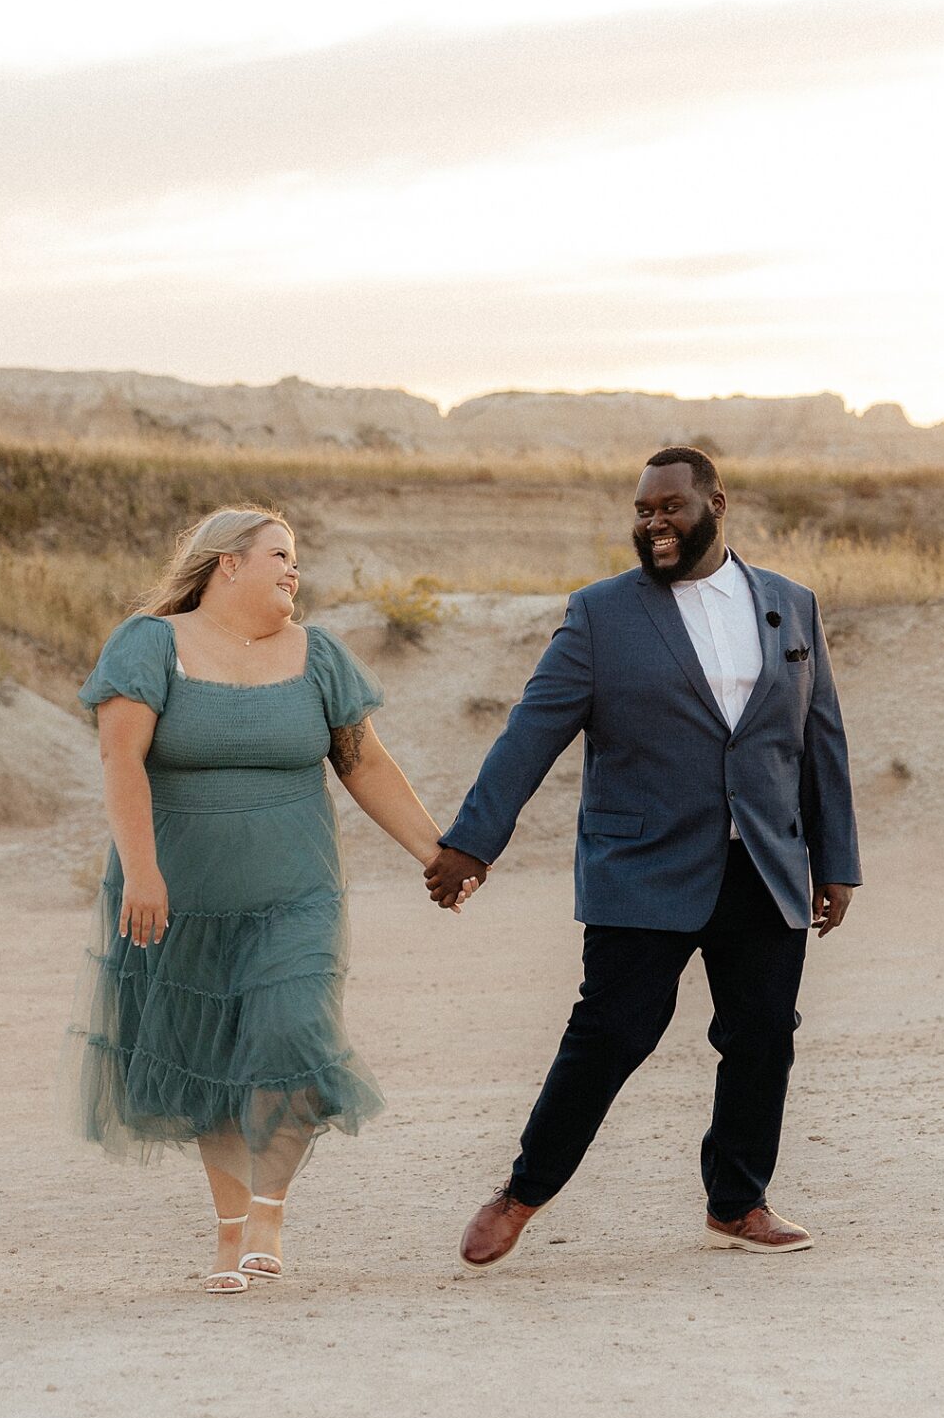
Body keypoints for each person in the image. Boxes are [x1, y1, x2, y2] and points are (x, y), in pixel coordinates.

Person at [427, 446, 859, 1267]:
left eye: (669, 507)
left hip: (763, 862)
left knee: (763, 1036)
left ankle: (737, 1204)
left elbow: (818, 740)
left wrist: (835, 860)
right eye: (641, 510)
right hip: (643, 865)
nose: (653, 523)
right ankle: (522, 1193)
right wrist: (471, 844)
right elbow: (531, 733)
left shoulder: (790, 605)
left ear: (716, 504)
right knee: (612, 1033)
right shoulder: (600, 614)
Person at [65, 503, 467, 1294]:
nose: (293, 570)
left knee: (288, 1033)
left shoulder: (317, 657)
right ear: (227, 564)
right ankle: (227, 1233)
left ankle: (268, 1209)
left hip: (297, 894)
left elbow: (366, 766)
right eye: (279, 555)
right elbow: (121, 761)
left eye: (296, 559)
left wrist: (438, 855)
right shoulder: (151, 645)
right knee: (209, 1060)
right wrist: (142, 872)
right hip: (178, 897)